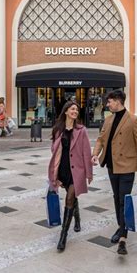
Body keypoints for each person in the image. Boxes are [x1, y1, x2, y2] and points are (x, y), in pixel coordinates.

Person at [92, 89, 137, 256]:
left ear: (117, 101)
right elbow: (101, 139)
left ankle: (123, 238)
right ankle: (120, 226)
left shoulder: (133, 120)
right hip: (111, 165)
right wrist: (95, 153)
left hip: (127, 166)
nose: (107, 104)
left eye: (109, 102)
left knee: (124, 200)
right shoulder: (108, 120)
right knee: (116, 199)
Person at [48, 101, 93, 252]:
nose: (75, 111)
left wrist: (89, 173)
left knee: (69, 197)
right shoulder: (57, 129)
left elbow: (86, 152)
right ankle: (77, 219)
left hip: (77, 170)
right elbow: (53, 151)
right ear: (66, 111)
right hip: (63, 170)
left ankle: (63, 236)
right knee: (71, 197)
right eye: (72, 109)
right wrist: (54, 172)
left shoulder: (82, 130)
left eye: (77, 110)